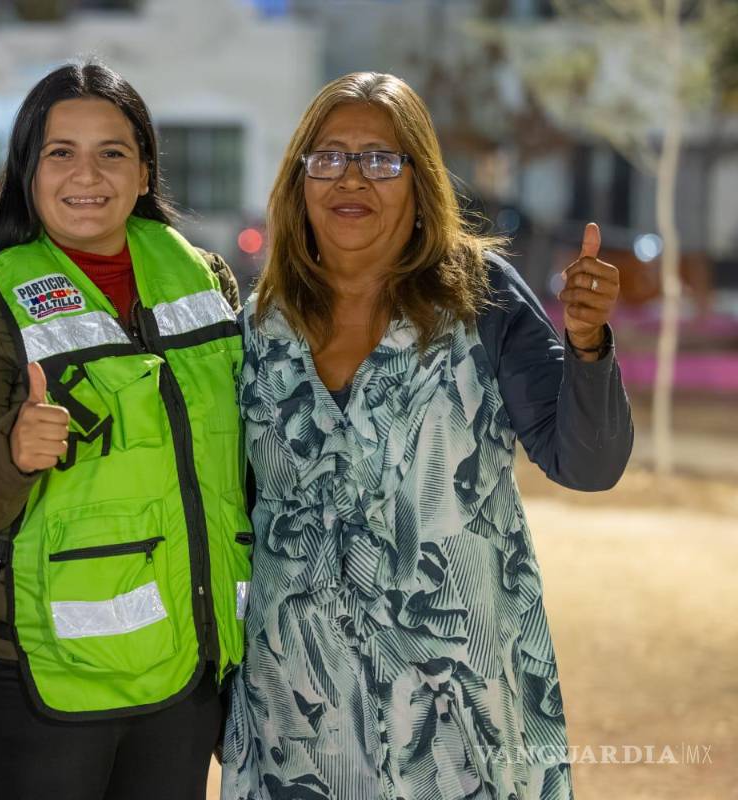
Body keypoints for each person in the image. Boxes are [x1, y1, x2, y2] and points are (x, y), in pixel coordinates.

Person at [222, 72, 633, 800]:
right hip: (297, 724)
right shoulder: (258, 326)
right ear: (298, 178)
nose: (352, 179)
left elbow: (589, 464)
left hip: (464, 721)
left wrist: (589, 345)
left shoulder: (481, 296)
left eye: (381, 159)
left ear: (420, 181)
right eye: (329, 157)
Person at [0, 62, 252, 800]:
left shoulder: (206, 281)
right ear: (27, 167)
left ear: (145, 167)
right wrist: (10, 454)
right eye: (60, 152)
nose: (86, 175)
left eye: (112, 152)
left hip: (185, 671)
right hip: (39, 684)